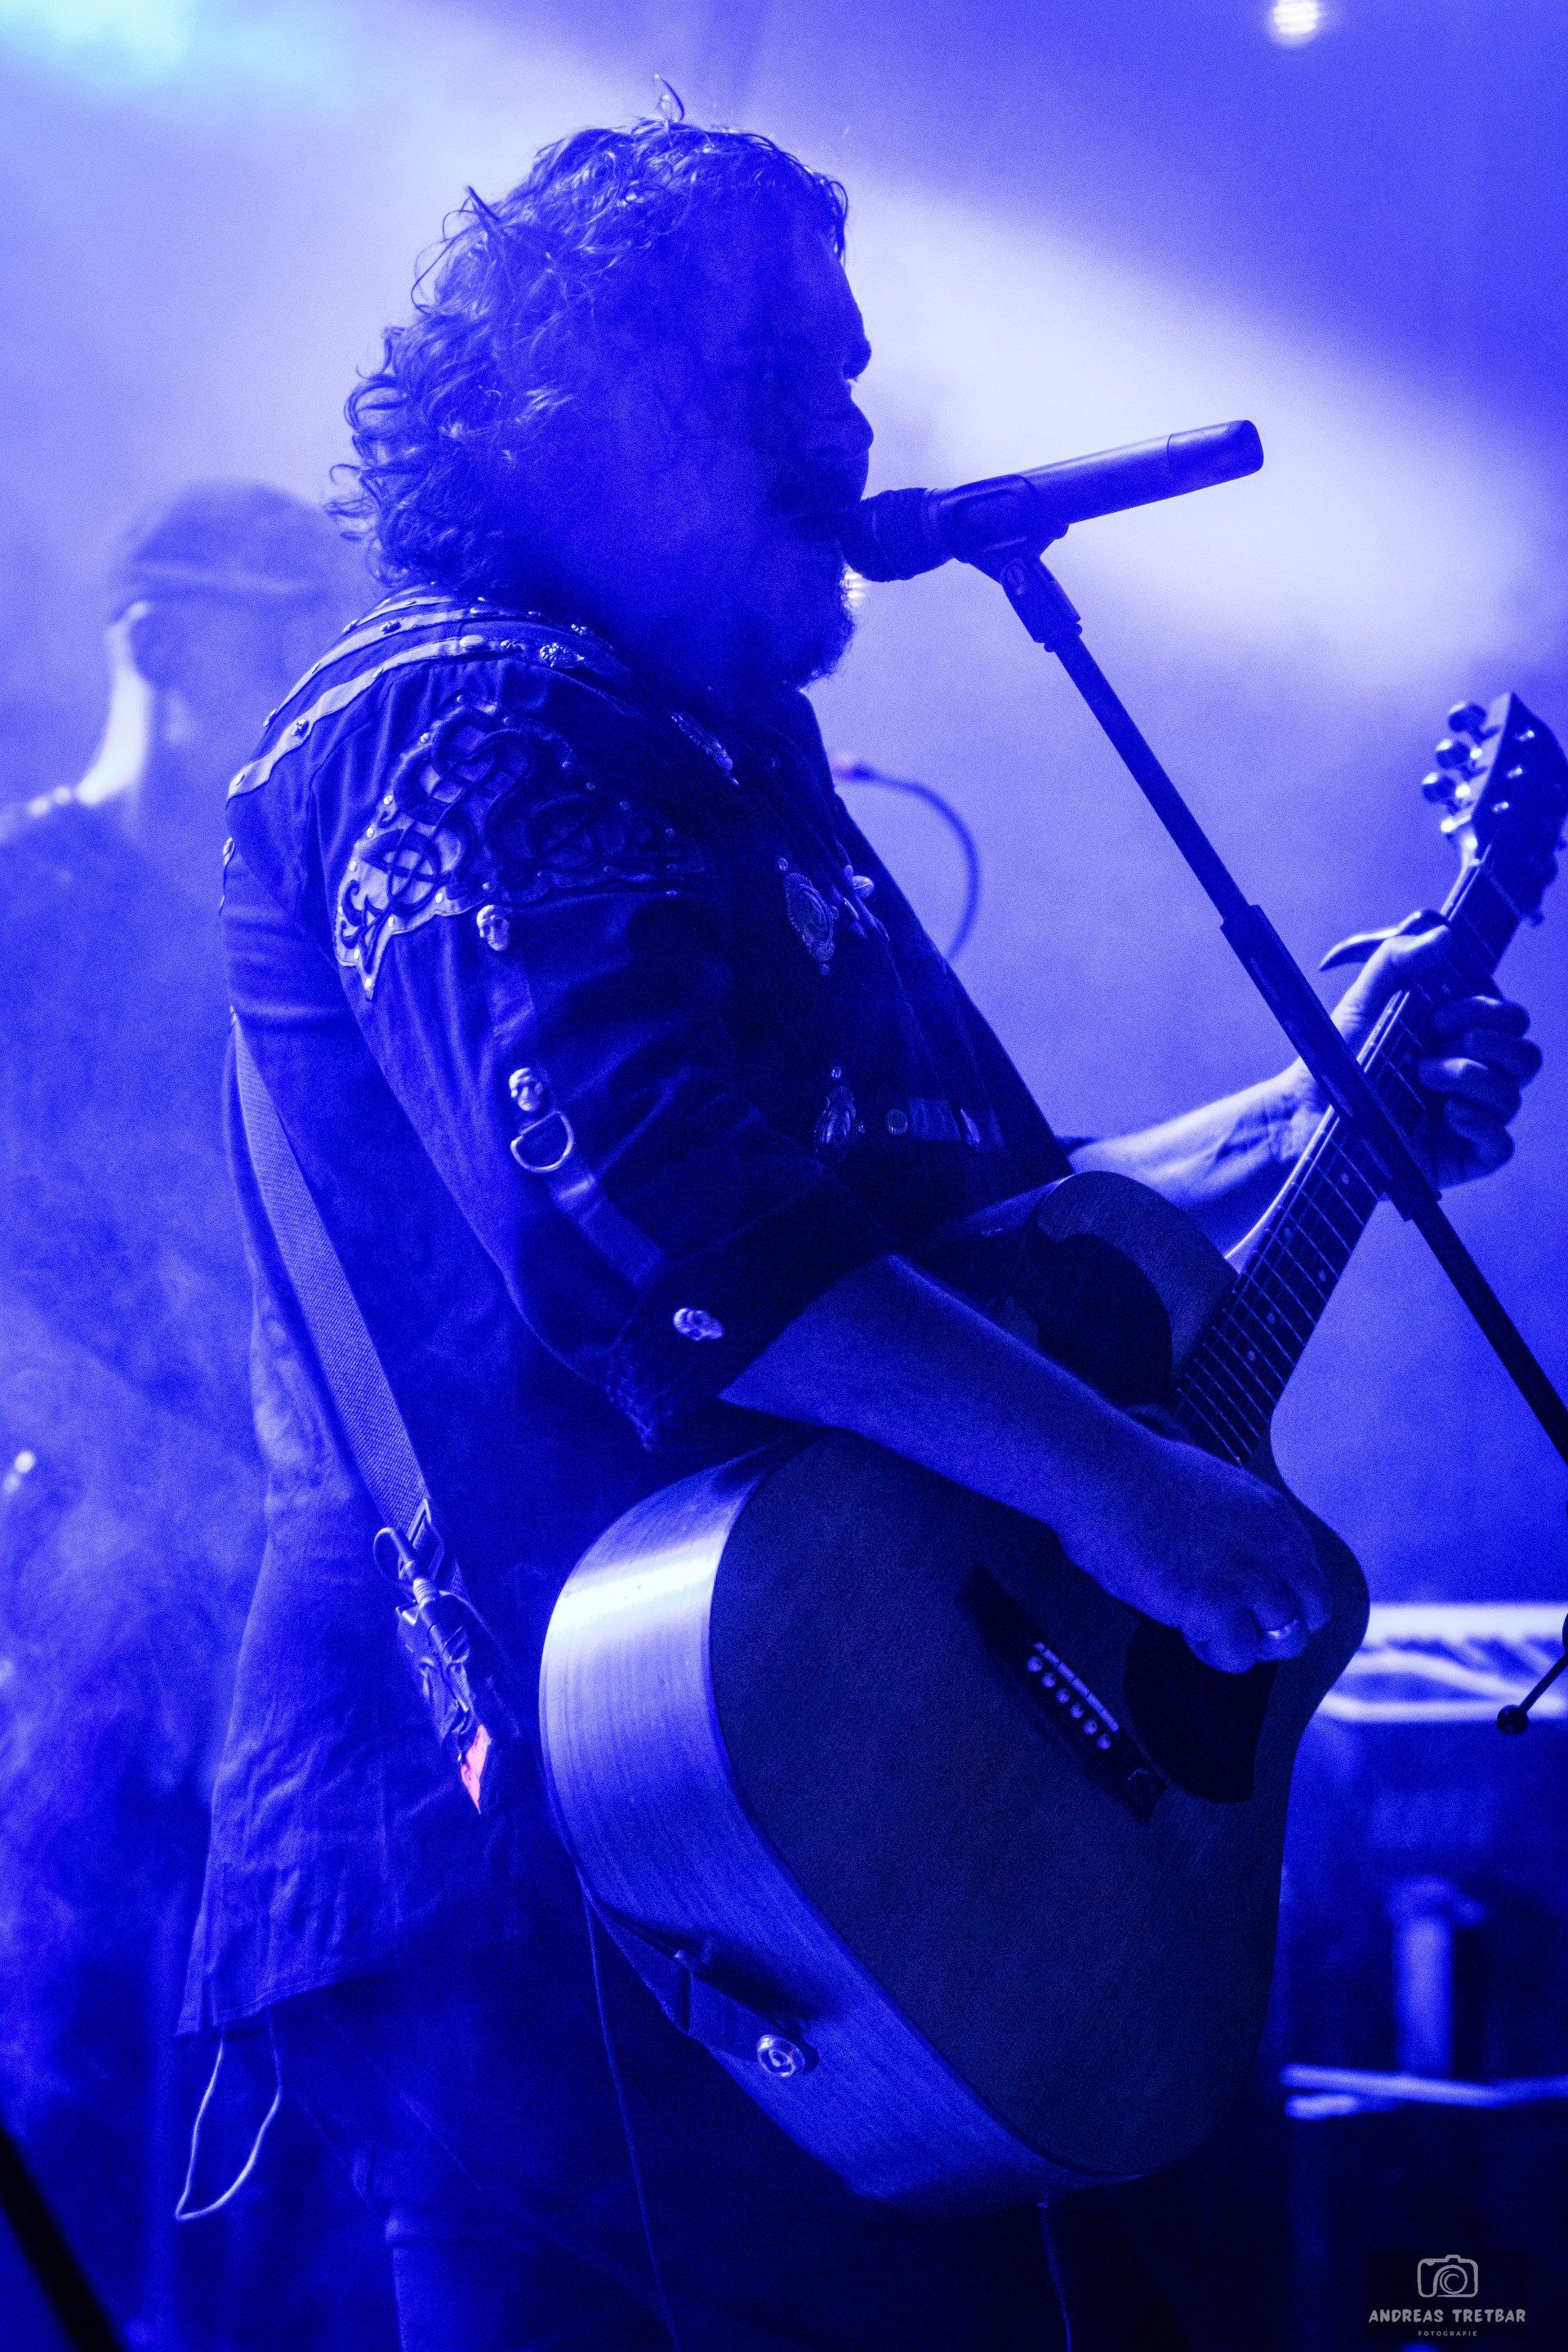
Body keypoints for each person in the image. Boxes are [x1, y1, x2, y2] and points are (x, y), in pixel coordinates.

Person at [185, 123, 1544, 2352]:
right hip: (574, 1856)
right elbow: (672, 1227)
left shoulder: (723, 751)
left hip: (851, 1818)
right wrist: (1127, 1494)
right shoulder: (464, 711)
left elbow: (967, 1244)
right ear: (617, 406)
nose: (859, 433)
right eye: (802, 375)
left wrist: (1321, 1118)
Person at [0, 484, 375, 2345]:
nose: (307, 673)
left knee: (282, 2104)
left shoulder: (287, 925)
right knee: (67, 2049)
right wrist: (176, 1494)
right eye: (271, 629)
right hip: (75, 1589)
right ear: (152, 631)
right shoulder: (23, 903)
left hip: (282, 1573)